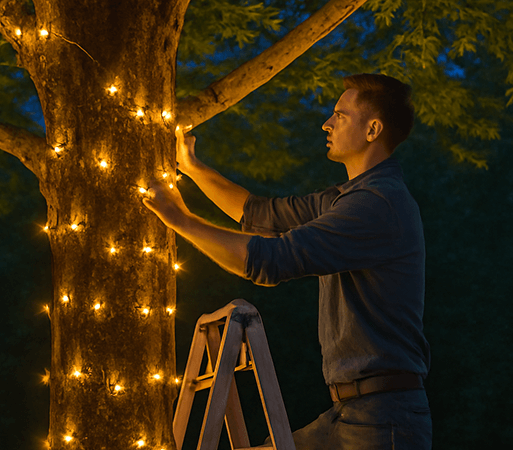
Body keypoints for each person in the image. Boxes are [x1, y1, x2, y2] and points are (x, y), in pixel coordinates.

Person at [143, 73, 431, 449]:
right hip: (350, 411)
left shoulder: (375, 206)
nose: (326, 123)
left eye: (340, 115)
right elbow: (259, 215)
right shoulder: (347, 199)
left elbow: (270, 260)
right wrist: (193, 168)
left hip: (383, 420)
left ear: (373, 129)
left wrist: (181, 219)